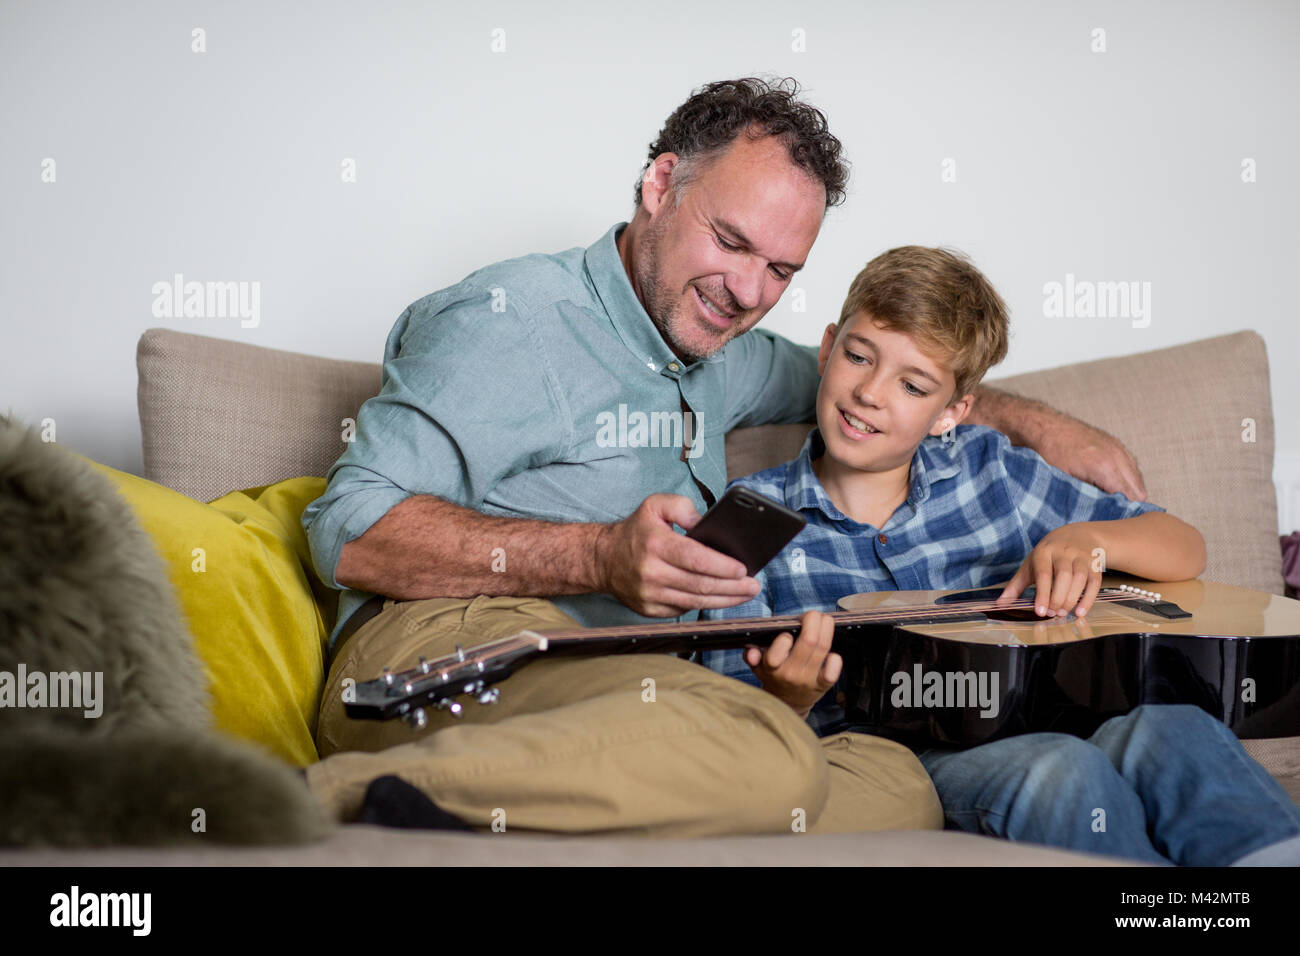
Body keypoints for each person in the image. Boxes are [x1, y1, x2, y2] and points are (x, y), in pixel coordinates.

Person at [301, 77, 1146, 838]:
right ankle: (327, 797)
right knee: (768, 756)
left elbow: (872, 378)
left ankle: (551, 819)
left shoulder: (719, 345)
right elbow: (347, 529)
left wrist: (1031, 418)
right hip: (457, 654)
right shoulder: (509, 319)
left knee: (892, 783)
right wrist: (596, 556)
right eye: (731, 242)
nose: (747, 291)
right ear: (661, 185)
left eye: (780, 268)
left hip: (635, 695)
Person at [699, 245, 1300, 864]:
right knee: (1061, 771)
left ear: (952, 412)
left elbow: (1184, 546)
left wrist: (1092, 540)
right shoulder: (751, 519)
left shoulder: (991, 471)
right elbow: (726, 721)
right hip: (916, 759)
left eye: (913, 385)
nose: (871, 393)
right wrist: (788, 697)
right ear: (826, 349)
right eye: (858, 357)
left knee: (1178, 729)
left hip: (1062, 715)